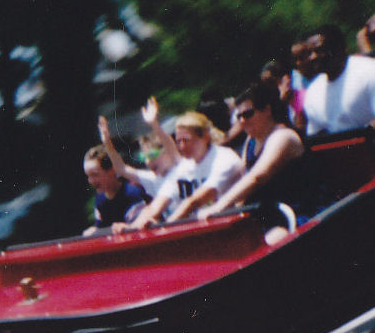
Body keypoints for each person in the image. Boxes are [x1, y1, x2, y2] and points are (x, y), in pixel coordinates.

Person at [198, 80, 306, 244]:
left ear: (267, 110)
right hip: (265, 214)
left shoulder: (283, 137)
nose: (242, 121)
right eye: (238, 116)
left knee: (265, 243)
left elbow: (257, 177)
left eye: (247, 114)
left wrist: (220, 207)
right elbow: (244, 179)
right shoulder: (251, 141)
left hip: (294, 213)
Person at [116, 112, 244, 230]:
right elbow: (156, 205)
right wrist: (132, 227)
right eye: (178, 141)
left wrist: (166, 225)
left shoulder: (224, 158)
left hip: (233, 226)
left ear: (205, 137)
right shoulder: (183, 168)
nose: (182, 146)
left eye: (186, 140)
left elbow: (195, 201)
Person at [301, 24, 375, 137]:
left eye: (319, 50)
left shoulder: (372, 69)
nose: (313, 57)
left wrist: (363, 135)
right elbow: (316, 134)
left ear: (339, 47)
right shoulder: (313, 90)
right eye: (310, 53)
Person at [96, 96, 181, 204]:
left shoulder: (180, 165)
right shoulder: (152, 179)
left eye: (151, 155)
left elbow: (169, 145)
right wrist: (107, 142)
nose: (148, 162)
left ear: (166, 152)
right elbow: (122, 169)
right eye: (143, 157)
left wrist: (154, 123)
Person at [81, 145, 148, 236]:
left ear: (112, 170)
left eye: (95, 175)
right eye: (88, 176)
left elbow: (142, 227)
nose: (91, 181)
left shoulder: (132, 194)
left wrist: (128, 227)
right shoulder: (100, 200)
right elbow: (100, 226)